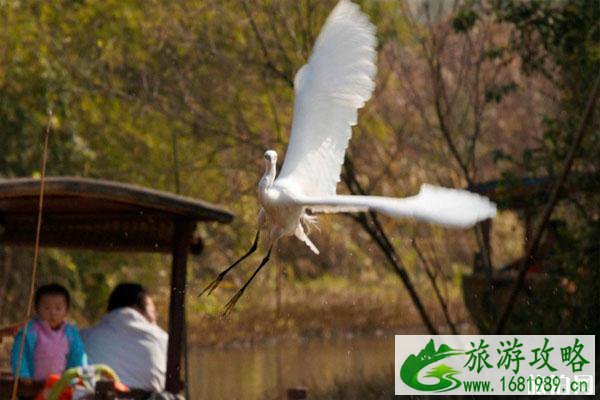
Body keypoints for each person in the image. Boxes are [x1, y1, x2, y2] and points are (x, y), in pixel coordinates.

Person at [81, 283, 168, 392]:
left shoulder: (82, 338)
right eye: (153, 312)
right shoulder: (162, 338)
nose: (154, 319)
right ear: (137, 308)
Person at [10, 283, 87, 380]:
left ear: (66, 310)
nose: (53, 313)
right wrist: (23, 375)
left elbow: (78, 357)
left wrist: (75, 378)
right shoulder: (29, 331)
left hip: (59, 387)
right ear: (37, 309)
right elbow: (19, 355)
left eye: (58, 308)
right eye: (46, 308)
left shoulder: (71, 334)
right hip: (31, 387)